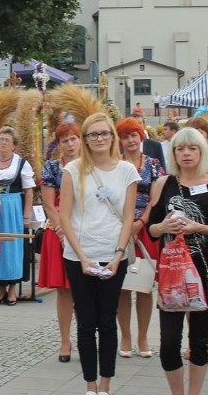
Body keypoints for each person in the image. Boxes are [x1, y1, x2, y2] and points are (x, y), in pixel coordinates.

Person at [147, 127, 208, 395]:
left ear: (202, 151)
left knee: (199, 340)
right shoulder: (164, 183)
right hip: (173, 271)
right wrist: (163, 227)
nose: (186, 154)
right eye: (180, 149)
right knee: (169, 343)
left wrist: (199, 227)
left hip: (205, 269)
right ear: (173, 153)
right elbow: (151, 229)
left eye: (192, 148)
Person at [58, 112, 139, 395]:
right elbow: (64, 216)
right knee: (86, 322)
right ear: (85, 139)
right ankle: (89, 383)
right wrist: (80, 256)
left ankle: (106, 383)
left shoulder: (127, 170)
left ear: (112, 137)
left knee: (107, 320)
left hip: (112, 252)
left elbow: (129, 217)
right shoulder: (72, 169)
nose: (100, 139)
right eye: (93, 134)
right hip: (79, 255)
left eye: (105, 133)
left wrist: (118, 254)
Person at [115, 117, 165, 359]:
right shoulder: (115, 164)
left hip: (146, 226)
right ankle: (125, 335)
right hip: (118, 225)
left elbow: (157, 198)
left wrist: (142, 221)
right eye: (125, 136)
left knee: (144, 284)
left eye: (134, 135)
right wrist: (127, 223)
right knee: (122, 286)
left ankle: (143, 335)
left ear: (141, 136)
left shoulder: (153, 164)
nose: (130, 140)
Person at [40, 122, 81, 363]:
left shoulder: (90, 166)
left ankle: (88, 335)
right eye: (65, 140)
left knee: (87, 290)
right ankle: (65, 340)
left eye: (74, 139)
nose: (70, 144)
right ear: (59, 144)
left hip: (86, 230)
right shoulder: (52, 167)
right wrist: (62, 230)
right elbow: (48, 204)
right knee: (64, 291)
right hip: (58, 232)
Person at [0, 126, 35, 305]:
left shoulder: (21, 164)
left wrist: (26, 216)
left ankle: (12, 288)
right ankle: (1, 288)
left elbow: (29, 192)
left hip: (13, 209)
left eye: (7, 140)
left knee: (12, 247)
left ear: (14, 146)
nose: (3, 143)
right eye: (0, 139)